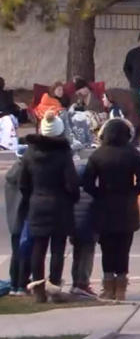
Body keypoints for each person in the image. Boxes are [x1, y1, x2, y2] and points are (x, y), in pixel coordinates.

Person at [82, 118, 140, 301]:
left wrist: (98, 193)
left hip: (104, 204)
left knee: (107, 248)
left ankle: (108, 285)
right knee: (123, 247)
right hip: (127, 205)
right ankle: (121, 286)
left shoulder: (98, 155)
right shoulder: (133, 154)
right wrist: (133, 192)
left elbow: (87, 182)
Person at [20, 111, 80, 303]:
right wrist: (73, 197)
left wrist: (32, 197)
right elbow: (71, 182)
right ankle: (54, 287)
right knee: (57, 248)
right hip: (60, 204)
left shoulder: (30, 153)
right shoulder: (63, 154)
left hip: (37, 202)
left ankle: (38, 289)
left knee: (38, 246)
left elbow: (23, 183)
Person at [70, 160, 97, 299]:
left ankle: (75, 282)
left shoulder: (70, 193)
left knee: (77, 256)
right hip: (88, 230)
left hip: (74, 229)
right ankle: (82, 283)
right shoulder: (92, 193)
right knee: (86, 257)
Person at [5, 147, 30, 296]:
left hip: (13, 221)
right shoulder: (24, 174)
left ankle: (14, 284)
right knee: (25, 253)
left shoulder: (10, 175)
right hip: (24, 219)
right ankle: (22, 284)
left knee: (16, 252)